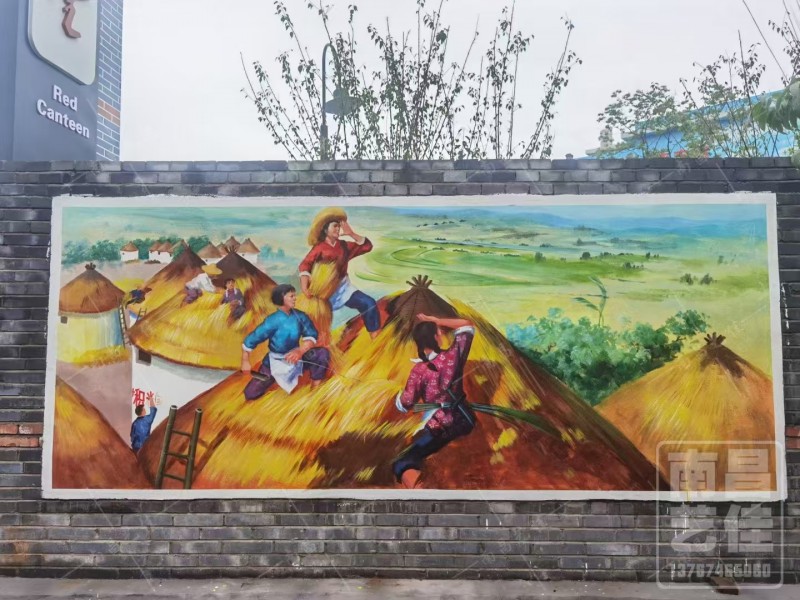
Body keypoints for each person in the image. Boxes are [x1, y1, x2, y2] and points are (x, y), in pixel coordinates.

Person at [392, 313, 478, 489]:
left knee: (402, 462)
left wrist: (397, 398)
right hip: (464, 418)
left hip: (440, 425)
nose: (441, 334)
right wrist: (437, 320)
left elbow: (406, 403)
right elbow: (467, 324)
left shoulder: (419, 370)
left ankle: (420, 493)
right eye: (439, 332)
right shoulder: (453, 356)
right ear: (435, 338)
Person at [298, 208, 381, 339]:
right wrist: (304, 287)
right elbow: (305, 265)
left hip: (343, 288)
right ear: (325, 229)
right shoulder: (319, 248)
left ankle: (375, 338)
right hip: (322, 292)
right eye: (335, 226)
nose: (338, 229)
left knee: (368, 303)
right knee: (315, 321)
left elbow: (367, 246)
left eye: (339, 226)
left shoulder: (344, 246)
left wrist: (351, 233)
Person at [241, 283, 331, 400]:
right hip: (275, 362)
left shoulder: (300, 316)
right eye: (291, 296)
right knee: (251, 393)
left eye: (295, 295)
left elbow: (311, 335)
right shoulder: (272, 320)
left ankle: (315, 391)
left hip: (297, 358)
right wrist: (245, 361)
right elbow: (252, 339)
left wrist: (300, 351)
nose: (295, 298)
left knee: (322, 353)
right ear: (281, 298)